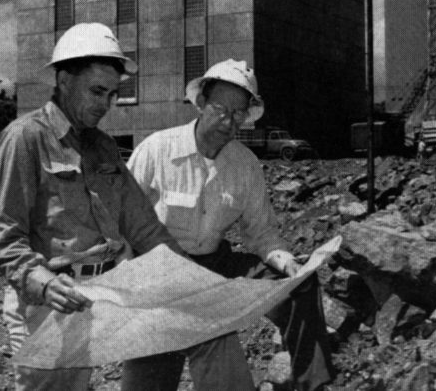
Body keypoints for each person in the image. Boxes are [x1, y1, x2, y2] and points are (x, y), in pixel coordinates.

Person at [0, 23, 192, 390]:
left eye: (112, 95)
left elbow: (143, 225)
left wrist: (190, 275)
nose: (105, 104)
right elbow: (6, 240)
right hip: (46, 304)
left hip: (93, 296)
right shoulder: (25, 139)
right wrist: (46, 284)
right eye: (97, 91)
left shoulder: (102, 147)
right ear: (65, 80)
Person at [125, 59, 336, 391]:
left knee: (298, 287)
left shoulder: (245, 164)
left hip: (216, 267)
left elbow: (261, 233)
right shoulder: (157, 149)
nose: (229, 121)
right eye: (222, 109)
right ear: (202, 103)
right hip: (161, 272)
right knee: (152, 372)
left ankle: (313, 384)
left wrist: (288, 263)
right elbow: (123, 219)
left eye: (239, 114)